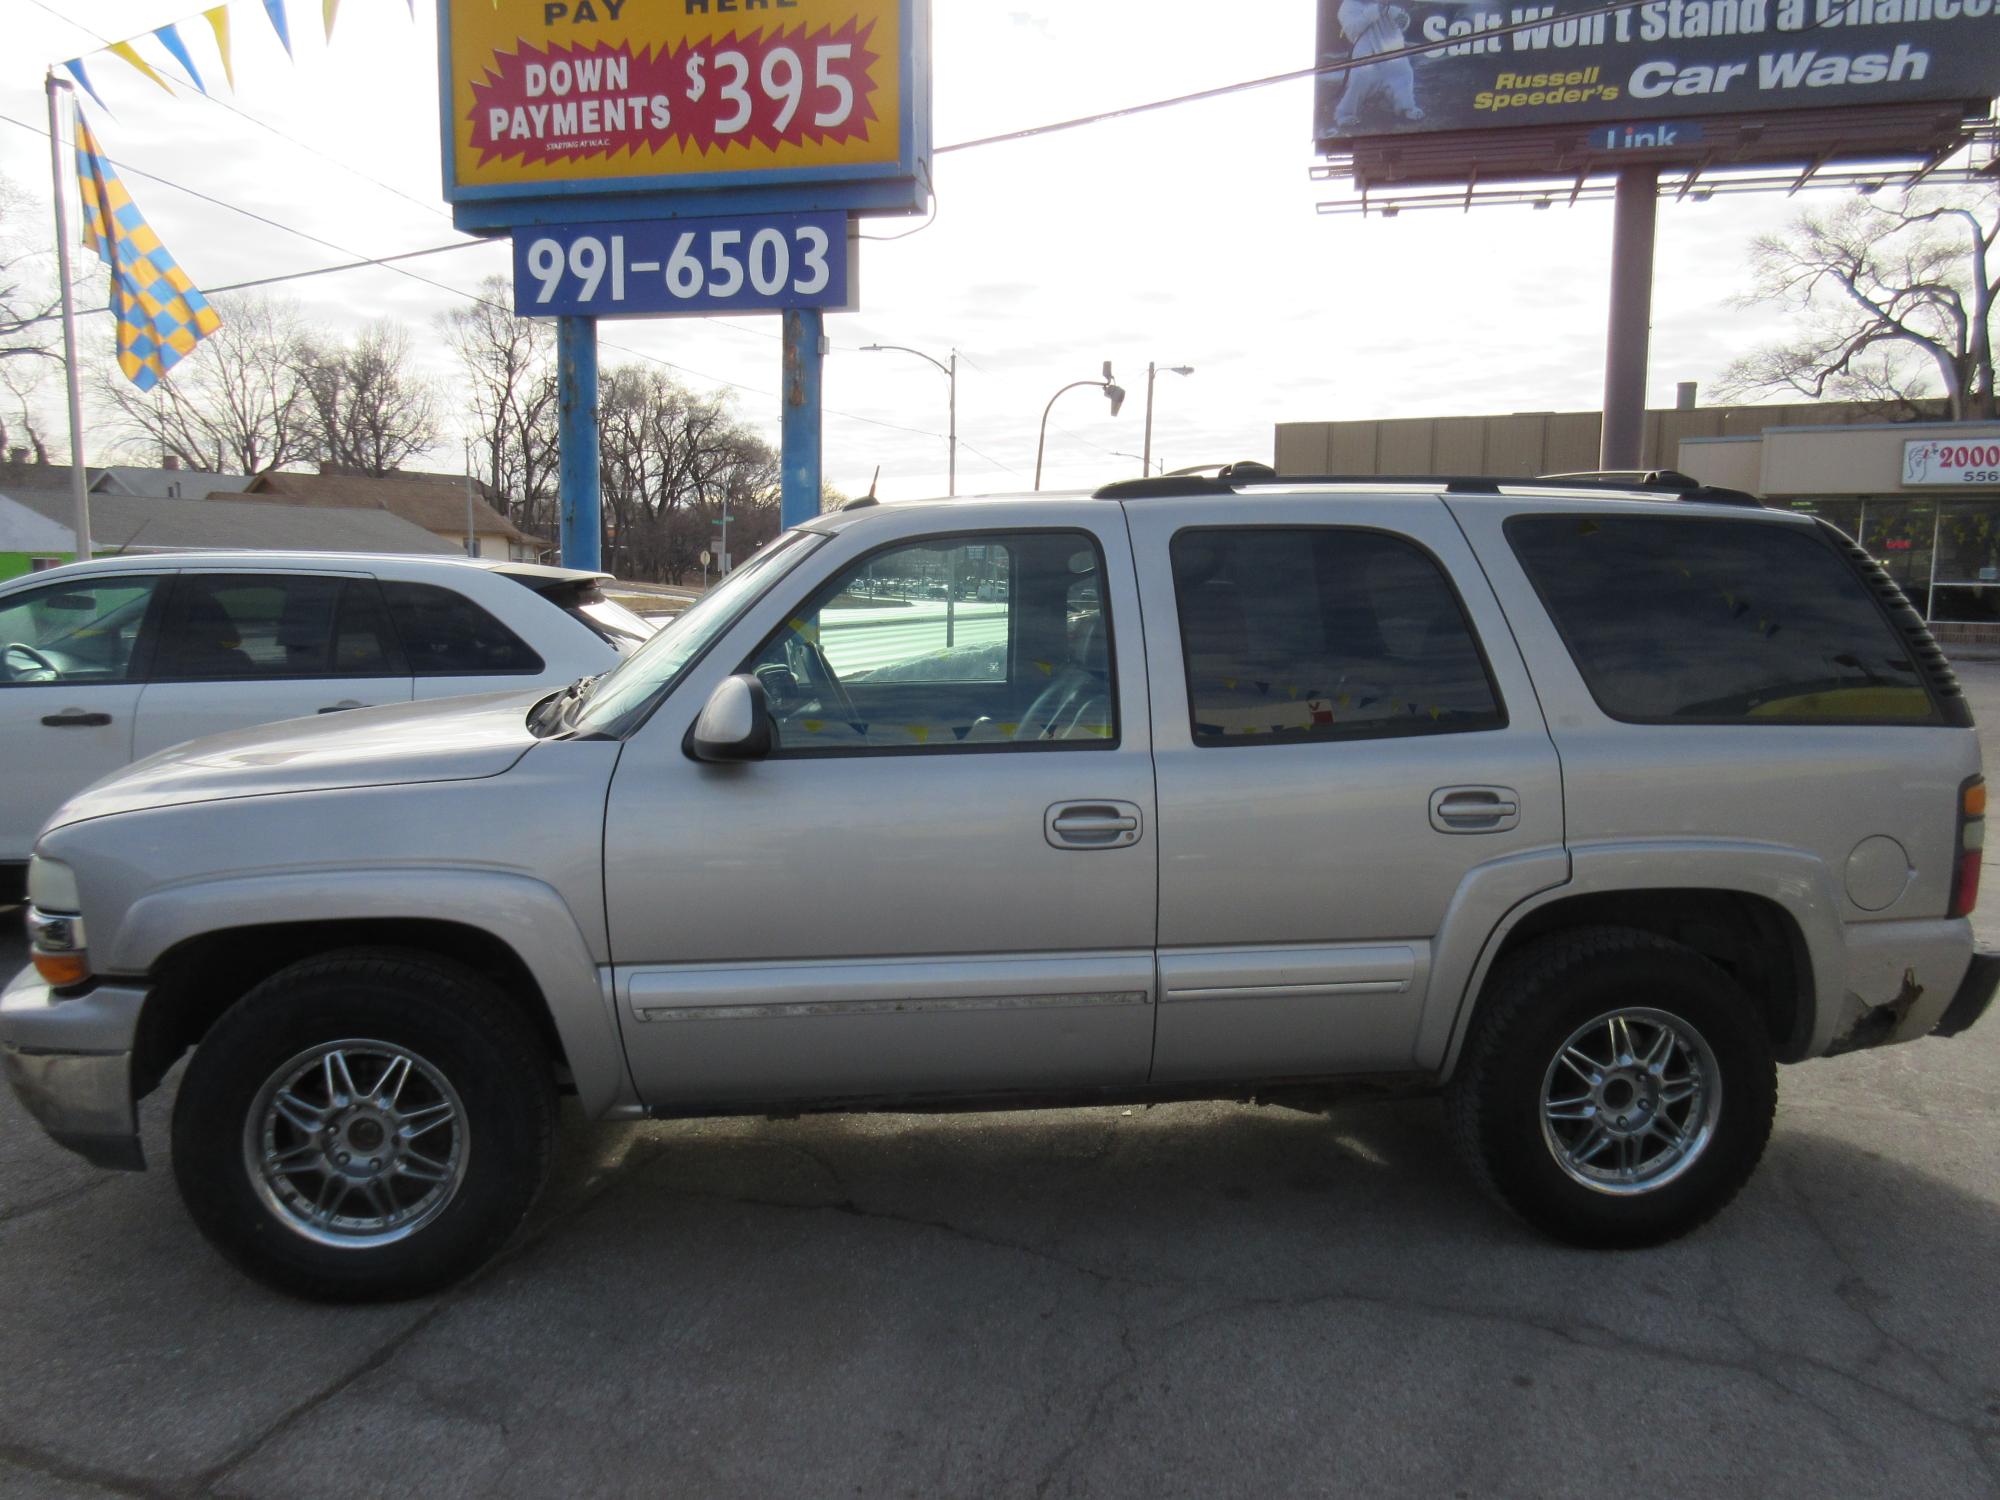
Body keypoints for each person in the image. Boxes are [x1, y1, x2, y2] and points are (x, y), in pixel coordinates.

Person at [1333, 0, 1424, 129]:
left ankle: (1407, 108)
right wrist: (1372, 12)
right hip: (1367, 53)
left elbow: (1402, 23)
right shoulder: (1349, 5)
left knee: (1404, 76)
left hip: (1392, 49)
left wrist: (1402, 19)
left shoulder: (1385, 3)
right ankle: (1345, 115)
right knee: (1359, 83)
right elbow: (1351, 31)